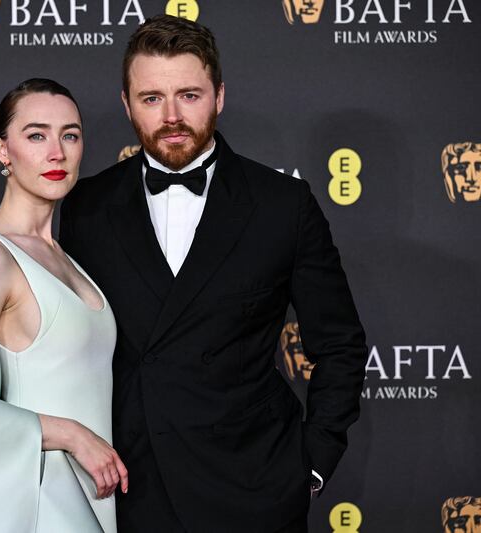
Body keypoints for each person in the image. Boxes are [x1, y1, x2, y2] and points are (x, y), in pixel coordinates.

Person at [60, 15, 367, 533]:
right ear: (127, 104)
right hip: (132, 488)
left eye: (189, 95)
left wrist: (311, 465)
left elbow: (339, 344)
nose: (172, 116)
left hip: (254, 487)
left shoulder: (282, 205)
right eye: (152, 98)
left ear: (219, 96)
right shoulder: (86, 207)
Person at [0, 78, 126, 533]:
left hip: (91, 494)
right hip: (38, 503)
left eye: (70, 135)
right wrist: (73, 435)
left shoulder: (65, 258)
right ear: (3, 150)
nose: (57, 153)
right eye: (36, 136)